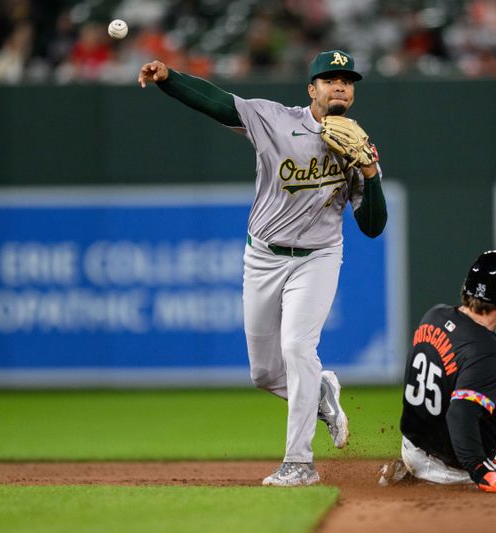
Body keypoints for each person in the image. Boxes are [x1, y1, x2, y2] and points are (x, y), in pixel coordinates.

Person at [138, 50, 388, 486]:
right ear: (312, 90)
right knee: (264, 374)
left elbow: (372, 226)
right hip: (263, 257)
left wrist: (370, 171)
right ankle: (322, 394)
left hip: (318, 257)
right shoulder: (274, 119)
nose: (340, 86)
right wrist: (169, 79)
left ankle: (299, 463)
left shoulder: (358, 145)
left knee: (296, 350)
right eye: (330, 79)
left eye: (347, 81)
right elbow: (216, 102)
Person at [379, 250, 496, 492]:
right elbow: (460, 415)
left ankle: (414, 470)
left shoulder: (435, 314)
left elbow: (458, 351)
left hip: (412, 447)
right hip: (452, 464)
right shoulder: (487, 354)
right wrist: (480, 470)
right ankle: (444, 481)